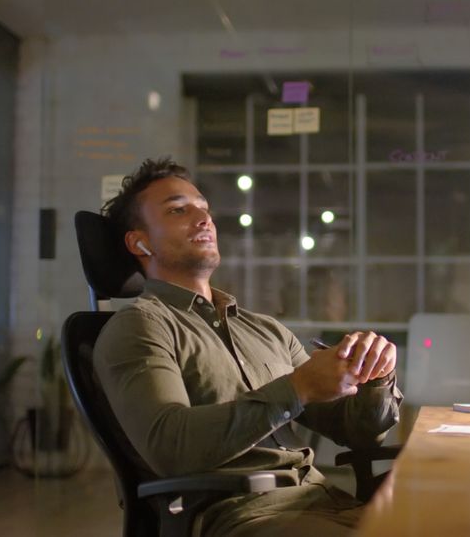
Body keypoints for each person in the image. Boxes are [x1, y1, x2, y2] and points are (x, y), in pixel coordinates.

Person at [95, 158, 402, 537]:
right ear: (139, 241)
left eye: (204, 209)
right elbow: (170, 445)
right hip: (247, 516)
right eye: (178, 210)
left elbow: (354, 432)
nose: (203, 219)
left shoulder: (265, 330)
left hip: (324, 501)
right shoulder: (139, 326)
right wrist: (298, 387)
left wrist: (376, 377)